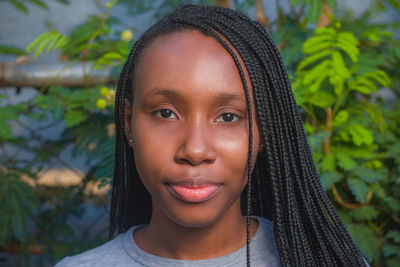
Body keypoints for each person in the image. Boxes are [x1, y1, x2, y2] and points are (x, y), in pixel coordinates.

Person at [56, 4, 369, 267]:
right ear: (128, 123)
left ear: (263, 130)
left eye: (228, 117)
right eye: (165, 113)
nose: (194, 150)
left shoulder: (324, 260)